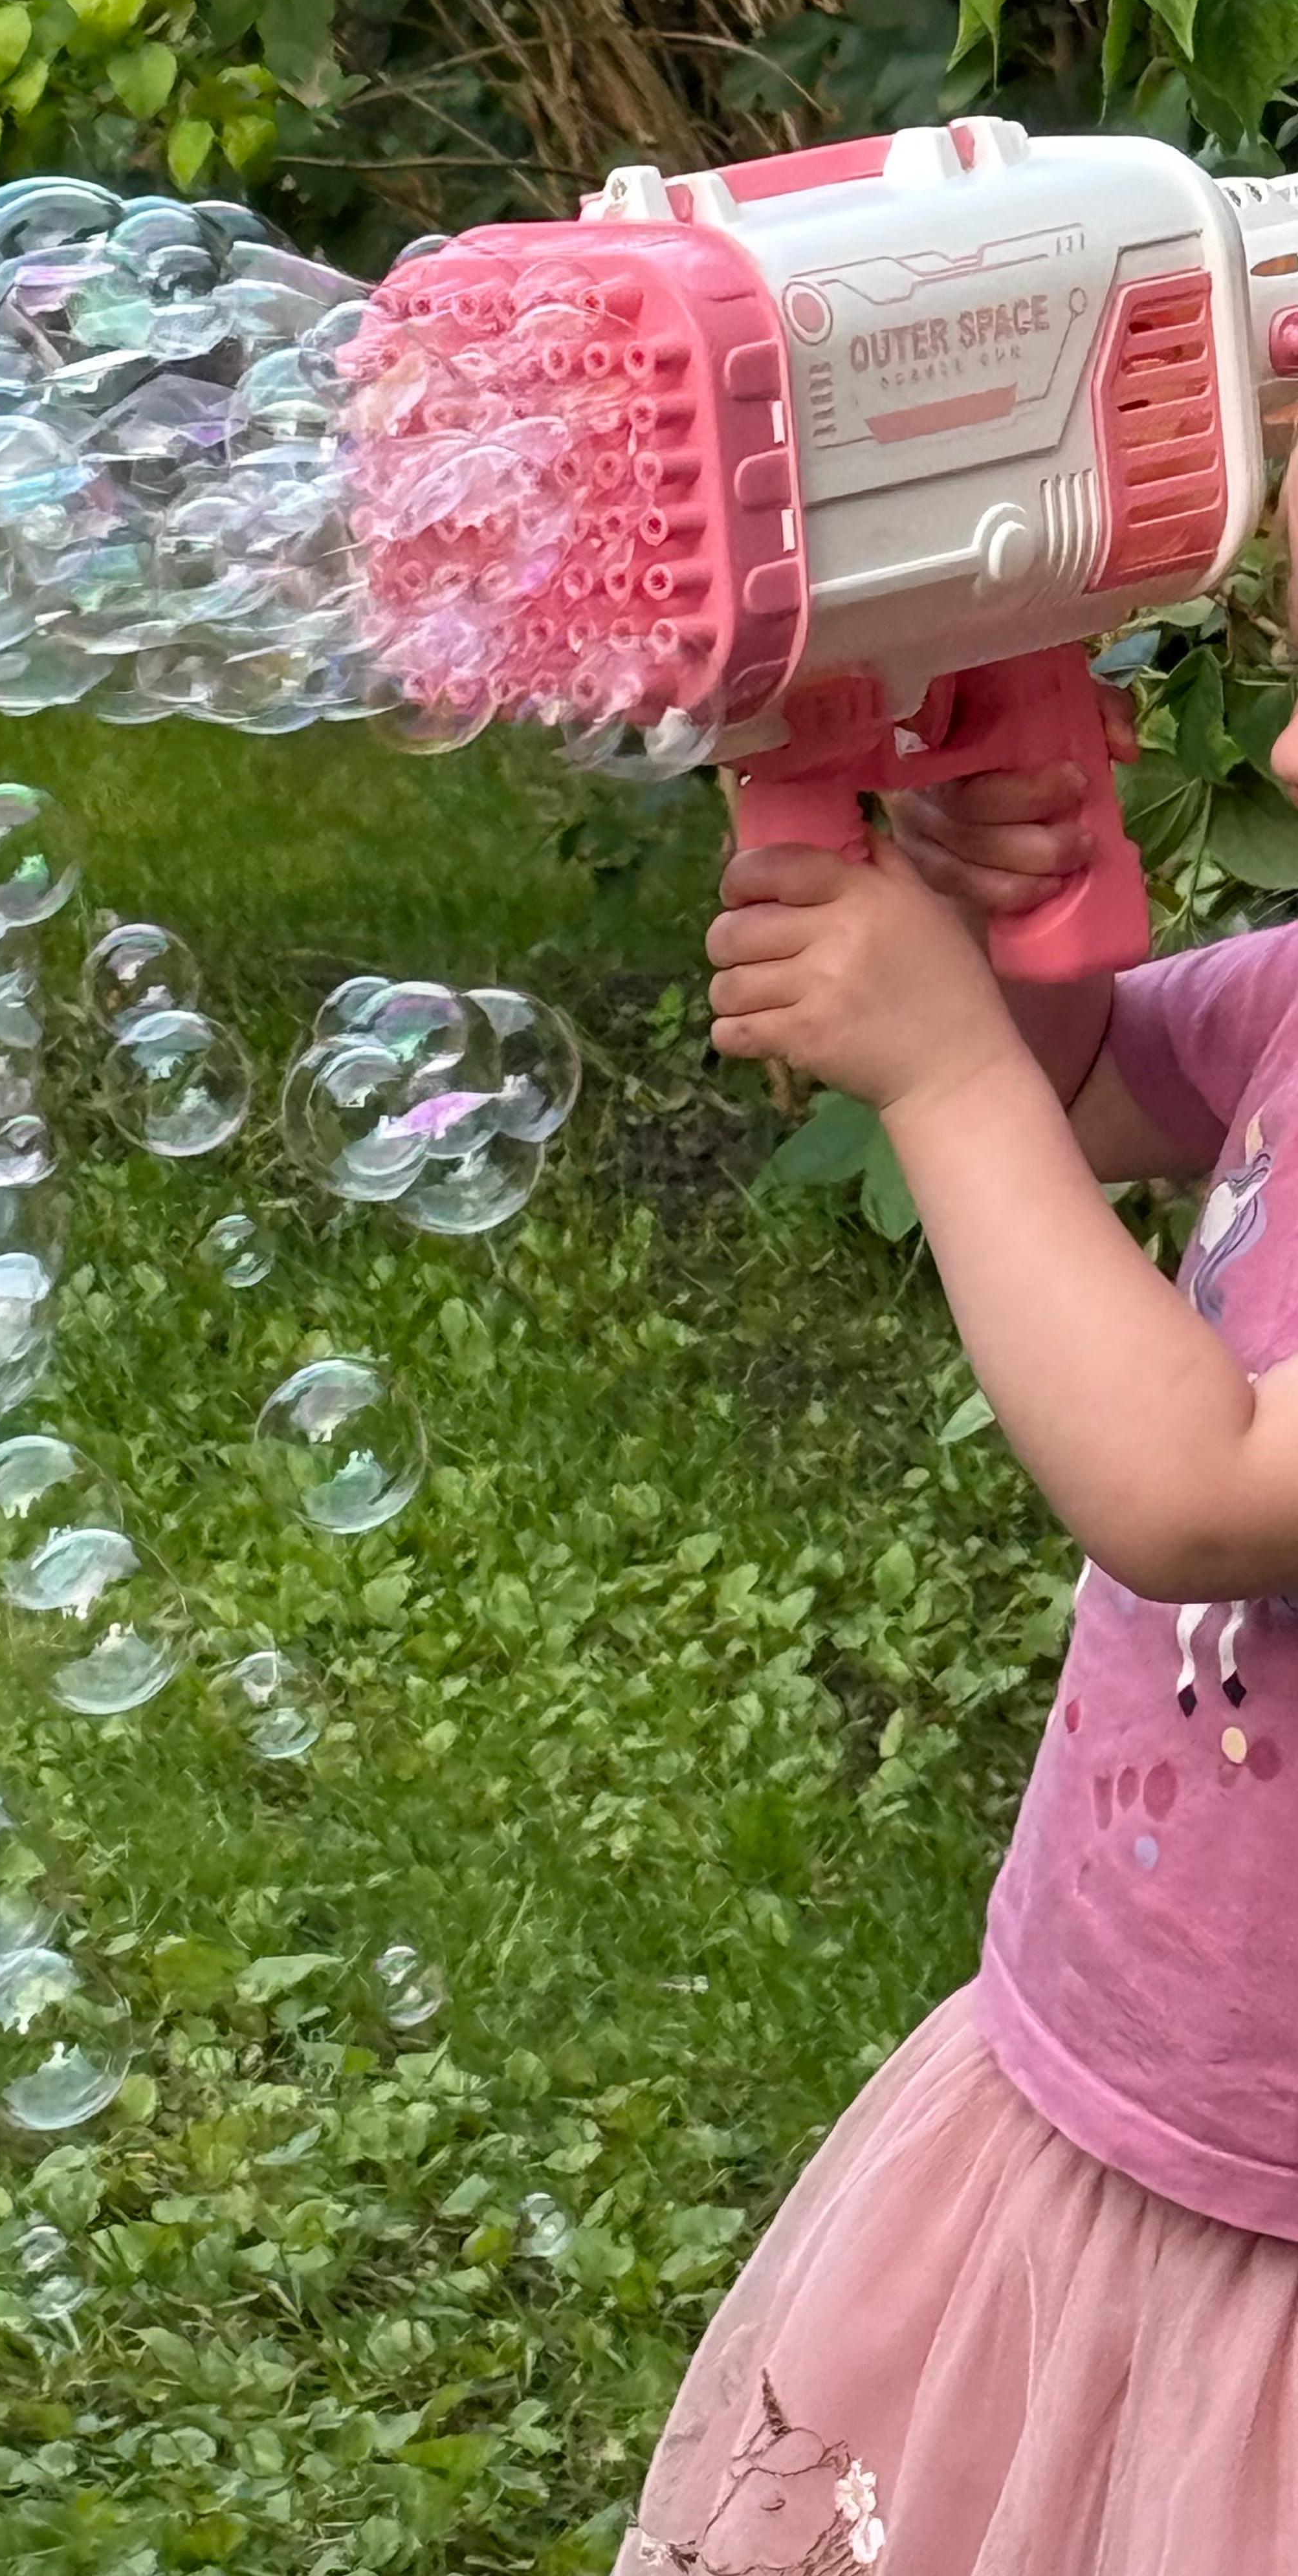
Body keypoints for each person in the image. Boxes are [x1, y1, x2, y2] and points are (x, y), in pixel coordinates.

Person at [613, 666, 1298, 2575]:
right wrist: (1012, 929)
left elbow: (1205, 1491)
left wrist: (941, 1065)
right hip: (1128, 2062)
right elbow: (1087, 1088)